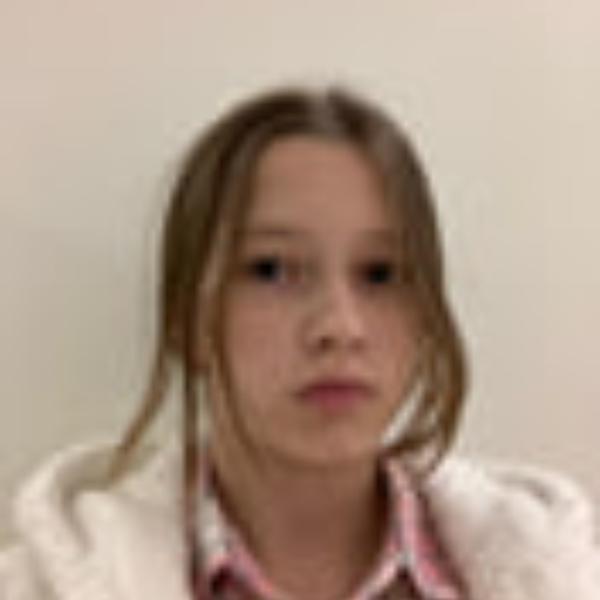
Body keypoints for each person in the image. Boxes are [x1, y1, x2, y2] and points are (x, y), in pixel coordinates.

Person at [1, 86, 598, 600]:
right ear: (187, 317)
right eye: (270, 270)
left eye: (381, 274)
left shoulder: (558, 573)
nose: (340, 327)